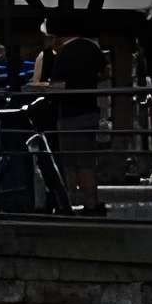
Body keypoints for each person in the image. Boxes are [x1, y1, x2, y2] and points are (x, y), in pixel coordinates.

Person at [34, 14, 107, 214]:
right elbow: (104, 72)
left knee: (72, 163)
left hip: (70, 114)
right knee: (87, 160)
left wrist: (43, 88)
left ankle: (76, 204)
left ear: (59, 36)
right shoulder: (91, 47)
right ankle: (92, 202)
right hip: (90, 110)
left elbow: (58, 86)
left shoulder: (64, 55)